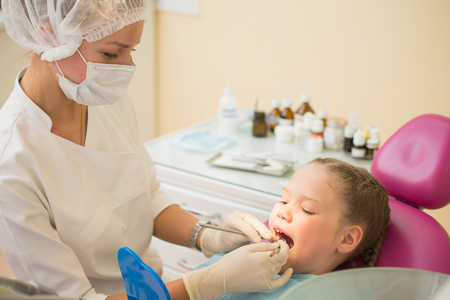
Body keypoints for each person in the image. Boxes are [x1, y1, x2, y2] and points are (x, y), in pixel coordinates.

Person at [0, 1, 293, 300]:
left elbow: (145, 196)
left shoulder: (103, 100)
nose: (127, 67)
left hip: (154, 288)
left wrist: (208, 235)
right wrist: (203, 284)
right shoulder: (12, 165)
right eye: (111, 53)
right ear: (48, 36)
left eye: (132, 50)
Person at [192, 157, 391, 299]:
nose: (282, 212)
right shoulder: (235, 258)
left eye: (307, 210)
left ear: (347, 239)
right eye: (284, 200)